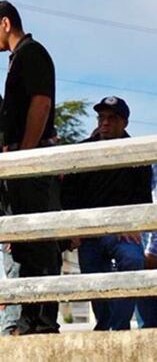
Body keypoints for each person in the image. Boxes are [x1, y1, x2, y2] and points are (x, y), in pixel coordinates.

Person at [0, 0, 61, 335]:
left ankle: (42, 320)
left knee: (39, 242)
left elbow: (41, 104)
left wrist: (24, 154)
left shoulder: (32, 54)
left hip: (30, 162)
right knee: (25, 245)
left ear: (6, 23)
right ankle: (29, 318)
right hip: (19, 162)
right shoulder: (19, 58)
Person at [61, 96, 155, 330]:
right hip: (88, 230)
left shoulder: (137, 153)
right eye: (101, 117)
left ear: (124, 123)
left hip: (122, 230)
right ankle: (106, 327)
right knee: (94, 279)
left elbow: (142, 196)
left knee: (133, 260)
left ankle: (118, 327)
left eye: (112, 118)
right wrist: (73, 230)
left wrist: (133, 225)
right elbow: (69, 195)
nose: (105, 122)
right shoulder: (82, 150)